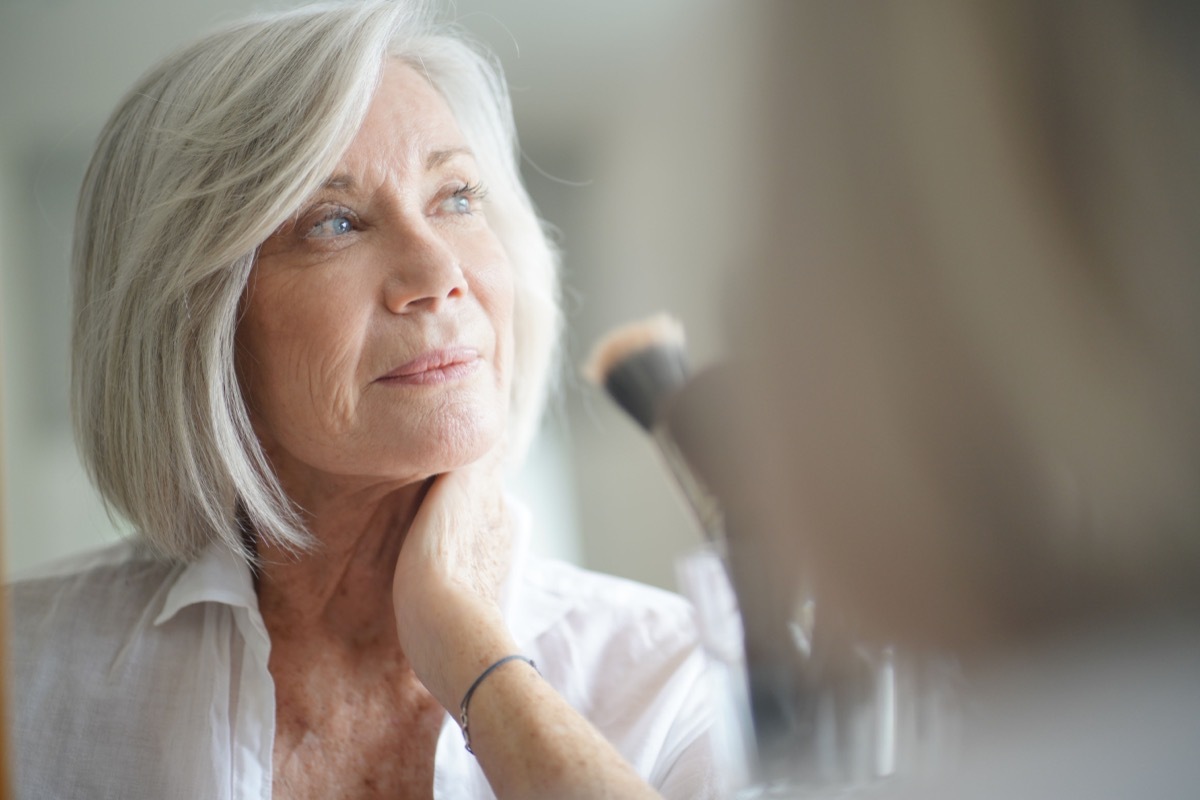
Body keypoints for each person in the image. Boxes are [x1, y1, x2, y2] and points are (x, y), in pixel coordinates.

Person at [7, 3, 718, 798]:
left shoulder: (679, 674)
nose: (438, 271)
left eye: (455, 197)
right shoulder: (24, 673)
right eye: (334, 222)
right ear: (197, 328)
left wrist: (470, 650)